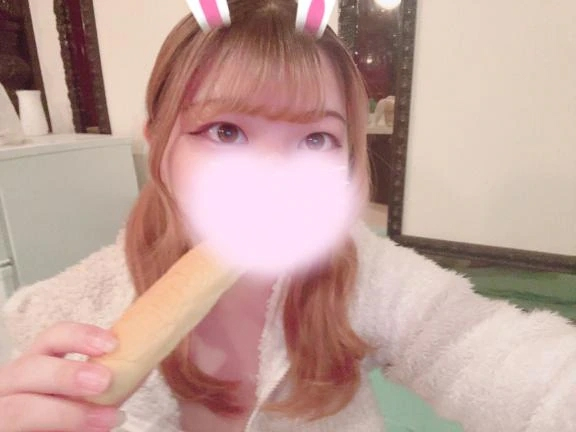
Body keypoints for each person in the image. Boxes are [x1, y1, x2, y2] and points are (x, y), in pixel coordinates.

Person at [1, 0, 575, 431]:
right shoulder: (50, 322)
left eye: (316, 139)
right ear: (156, 141)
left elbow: (506, 362)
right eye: (226, 131)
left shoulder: (368, 273)